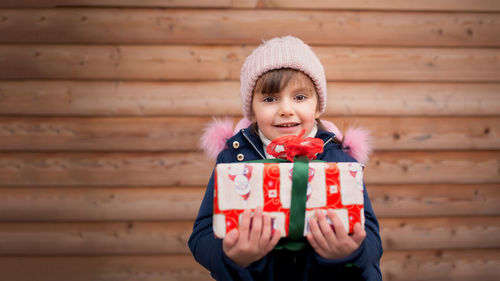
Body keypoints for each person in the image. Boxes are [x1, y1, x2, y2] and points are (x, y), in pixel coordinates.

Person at [188, 36, 382, 281]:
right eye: (270, 99)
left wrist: (354, 251)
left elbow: (372, 236)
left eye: (300, 97)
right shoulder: (234, 161)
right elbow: (202, 234)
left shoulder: (339, 159)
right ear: (253, 110)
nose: (286, 109)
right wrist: (231, 255)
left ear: (318, 106)